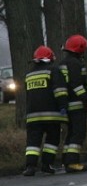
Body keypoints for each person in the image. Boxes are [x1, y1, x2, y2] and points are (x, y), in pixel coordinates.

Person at [23, 46, 68, 176]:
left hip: (32, 115)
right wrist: (63, 106)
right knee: (52, 139)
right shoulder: (53, 70)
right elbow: (60, 91)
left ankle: (30, 167)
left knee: (32, 142)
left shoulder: (29, 74)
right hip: (51, 114)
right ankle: (46, 164)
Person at [58, 34, 87, 172]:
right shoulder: (76, 63)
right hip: (76, 104)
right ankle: (72, 163)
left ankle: (67, 159)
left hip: (66, 104)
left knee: (71, 133)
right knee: (78, 132)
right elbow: (77, 85)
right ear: (80, 48)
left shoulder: (63, 63)